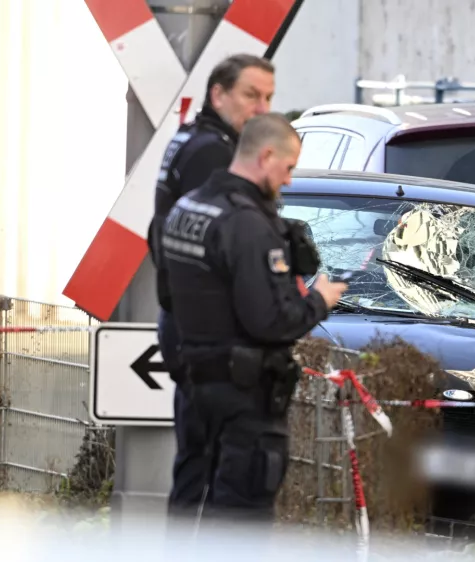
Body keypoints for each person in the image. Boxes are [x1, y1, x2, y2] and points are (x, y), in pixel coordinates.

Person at [160, 112, 347, 528]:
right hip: (244, 398)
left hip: (196, 386)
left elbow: (174, 293)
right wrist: (319, 300)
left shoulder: (188, 207)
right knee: (240, 520)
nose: (289, 181)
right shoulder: (246, 225)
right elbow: (270, 321)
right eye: (288, 167)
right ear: (265, 156)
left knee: (189, 502)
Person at [146, 53, 275, 520]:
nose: (261, 109)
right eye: (250, 95)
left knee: (196, 466)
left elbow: (157, 236)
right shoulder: (214, 154)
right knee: (215, 476)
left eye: (268, 98)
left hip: (186, 326)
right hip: (204, 335)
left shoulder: (190, 139)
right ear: (218, 94)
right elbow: (211, 252)